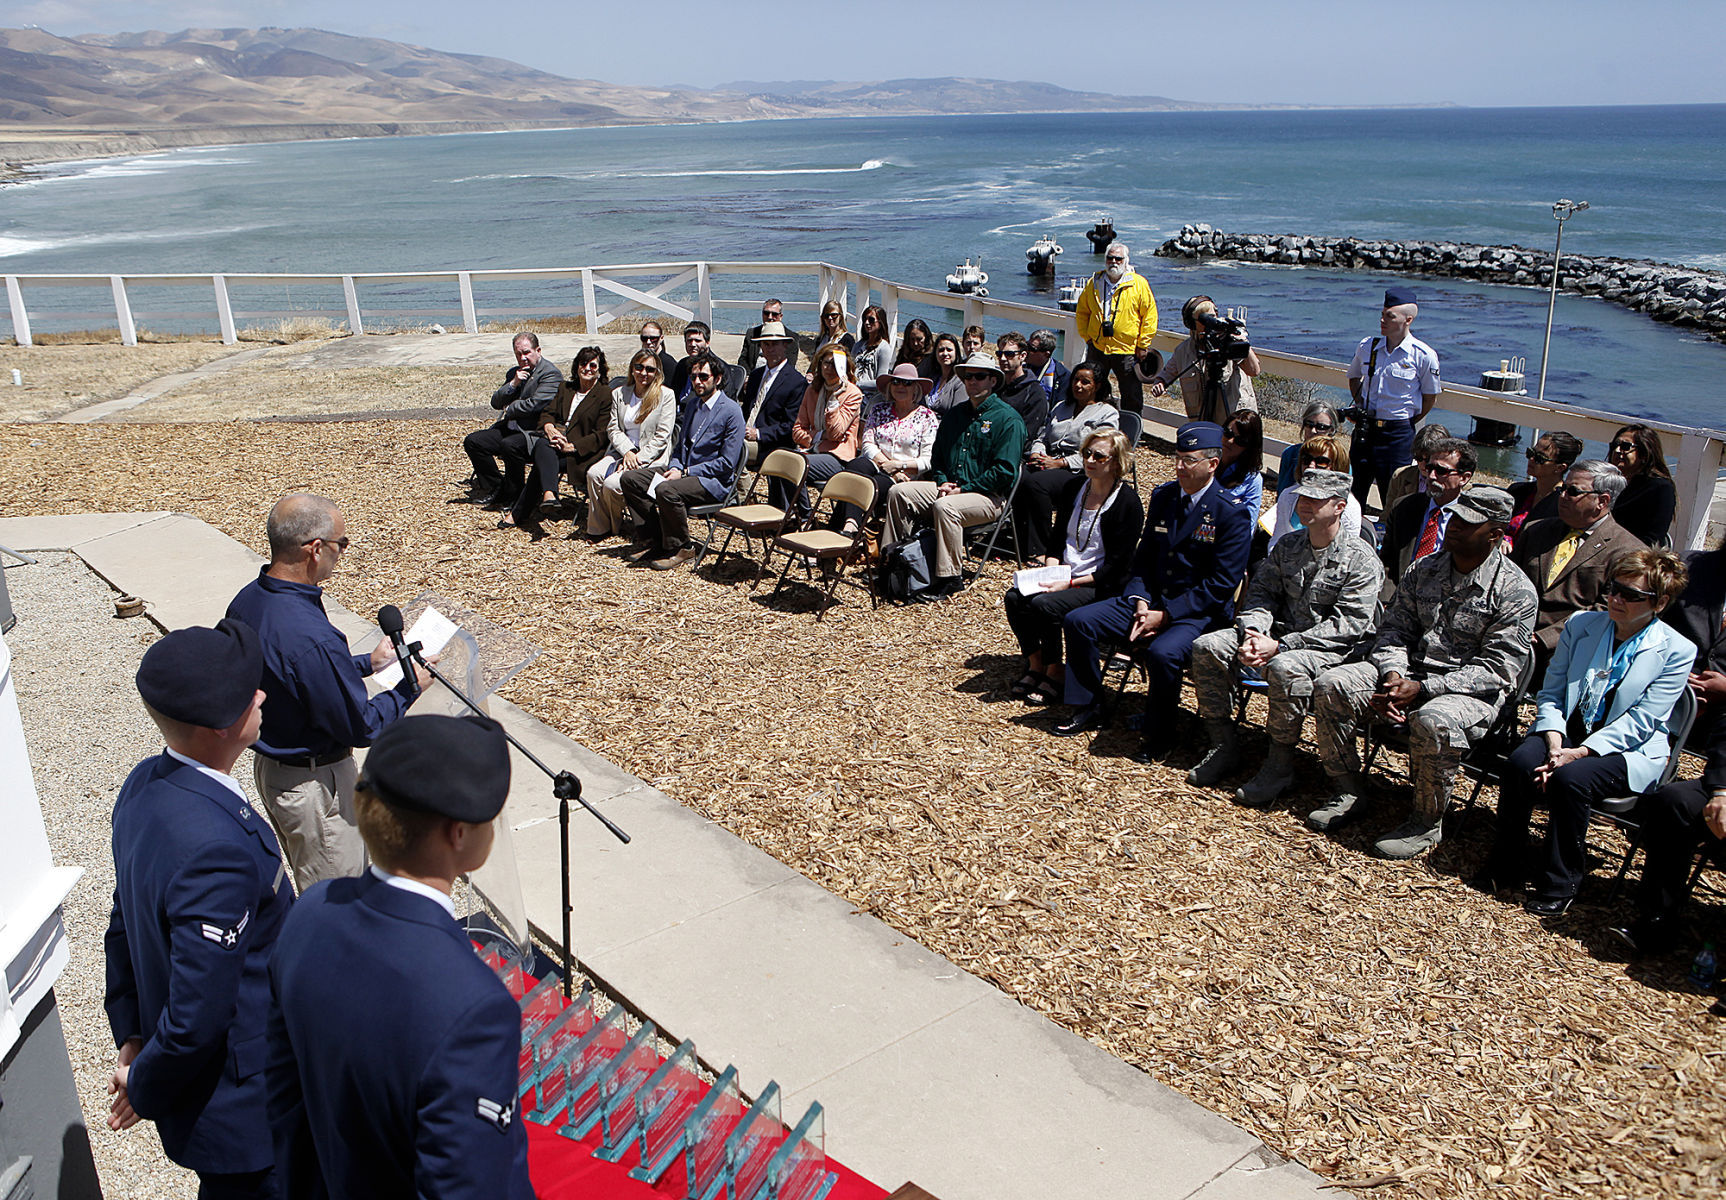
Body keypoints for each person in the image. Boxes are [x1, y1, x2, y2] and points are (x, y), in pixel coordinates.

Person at [265, 714, 534, 1200]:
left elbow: (286, 1102)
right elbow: (467, 1186)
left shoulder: (309, 915)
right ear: (458, 834)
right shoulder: (475, 1009)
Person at [104, 619, 290, 1200]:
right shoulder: (215, 848)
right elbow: (197, 1016)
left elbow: (124, 924)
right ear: (220, 726)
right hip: (253, 1116)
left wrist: (132, 1033)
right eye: (250, 692)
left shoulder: (143, 784)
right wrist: (144, 1082)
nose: (262, 695)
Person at [1308, 488, 1537, 859]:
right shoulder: (1424, 568)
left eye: (1468, 523)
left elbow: (1497, 669)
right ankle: (1347, 789)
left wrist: (1424, 688)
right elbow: (1394, 631)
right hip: (1409, 674)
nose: (1454, 526)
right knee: (1334, 684)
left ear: (1495, 534)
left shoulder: (1515, 592)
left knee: (1434, 720)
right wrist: (1393, 675)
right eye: (1455, 517)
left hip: (1469, 693)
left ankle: (1426, 822)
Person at [227, 494, 430, 891]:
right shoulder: (308, 635)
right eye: (342, 543)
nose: (342, 553)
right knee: (337, 899)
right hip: (316, 786)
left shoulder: (249, 601)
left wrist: (367, 663)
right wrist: (409, 688)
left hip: (275, 770)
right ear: (316, 549)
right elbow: (361, 726)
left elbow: (294, 675)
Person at [1481, 550, 1694, 915]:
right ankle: (1506, 863)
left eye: (1630, 595)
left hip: (1628, 748)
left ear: (1659, 603)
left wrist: (1579, 753)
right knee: (1520, 763)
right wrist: (1554, 740)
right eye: (1613, 589)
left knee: (1572, 779)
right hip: (1567, 730)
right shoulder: (1582, 625)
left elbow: (1643, 721)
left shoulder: (1677, 650)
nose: (1615, 599)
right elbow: (1552, 691)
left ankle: (1560, 882)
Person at [1054, 421, 1252, 761]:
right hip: (1151, 600)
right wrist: (1141, 600)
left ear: (1212, 464)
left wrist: (1167, 614)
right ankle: (1089, 705)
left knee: (1163, 653)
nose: (1180, 467)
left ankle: (1161, 734)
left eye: (1189, 460)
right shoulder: (1164, 496)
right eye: (1177, 458)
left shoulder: (1230, 512)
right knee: (1079, 621)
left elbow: (1221, 583)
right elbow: (1143, 558)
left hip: (1196, 614)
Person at [1187, 469, 1384, 801]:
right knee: (1209, 646)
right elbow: (1262, 594)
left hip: (1332, 651)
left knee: (1285, 667)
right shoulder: (1289, 546)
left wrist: (1279, 646)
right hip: (1275, 636)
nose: (1304, 504)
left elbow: (1349, 625)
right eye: (1303, 497)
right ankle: (1222, 744)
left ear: (1339, 507)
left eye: (1315, 500)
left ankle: (1279, 766)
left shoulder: (1361, 560)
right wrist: (1254, 632)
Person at [1610, 545, 1726, 953]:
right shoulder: (1697, 569)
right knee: (1675, 801)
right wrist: (1722, 790)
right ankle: (1655, 922)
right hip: (1676, 701)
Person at [1004, 429, 1144, 707]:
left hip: (1099, 584)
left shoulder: (1127, 504)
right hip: (1065, 574)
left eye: (1099, 456)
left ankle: (1056, 671)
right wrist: (1051, 570)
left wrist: (1068, 583)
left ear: (1116, 462)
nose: (1090, 460)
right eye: (1087, 454)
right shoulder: (1075, 488)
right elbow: (1057, 539)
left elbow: (1117, 568)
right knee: (1014, 597)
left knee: (1045, 605)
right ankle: (1036, 664)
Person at [884, 352, 1026, 601]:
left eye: (979, 377)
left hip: (988, 496)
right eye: (968, 377)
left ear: (993, 380)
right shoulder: (955, 415)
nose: (972, 382)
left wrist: (963, 489)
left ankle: (949, 578)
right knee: (899, 492)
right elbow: (938, 457)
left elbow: (1004, 472)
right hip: (951, 487)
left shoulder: (1008, 419)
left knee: (946, 507)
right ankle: (895, 560)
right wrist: (942, 482)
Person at [1510, 460, 1646, 676]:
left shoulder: (1628, 552)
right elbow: (1508, 581)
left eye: (1572, 492)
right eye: (1562, 488)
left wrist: (1544, 638)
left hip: (1570, 651)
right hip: (1510, 633)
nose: (1562, 496)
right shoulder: (1536, 531)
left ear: (1602, 501)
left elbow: (1606, 609)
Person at [619, 350, 746, 571]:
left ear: (717, 379)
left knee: (666, 490)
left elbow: (727, 463)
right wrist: (676, 466)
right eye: (693, 377)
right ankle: (655, 539)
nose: (697, 382)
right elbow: (680, 447)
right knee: (631, 479)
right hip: (683, 472)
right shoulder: (693, 405)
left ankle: (682, 547)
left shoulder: (731, 412)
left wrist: (685, 472)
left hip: (712, 480)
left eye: (703, 377)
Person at [1343, 287, 1441, 510]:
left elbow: (1429, 398)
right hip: (1366, 430)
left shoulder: (1422, 355)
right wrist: (1360, 405)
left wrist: (1406, 421)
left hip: (1397, 435)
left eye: (1390, 316)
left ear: (1408, 320)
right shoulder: (1368, 347)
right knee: (1355, 491)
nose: (1382, 320)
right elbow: (1354, 376)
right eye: (1382, 314)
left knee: (1394, 494)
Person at [500, 345, 610, 534]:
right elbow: (547, 412)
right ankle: (548, 495)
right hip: (555, 442)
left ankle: (525, 509)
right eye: (583, 364)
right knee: (544, 445)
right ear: (577, 366)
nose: (587, 369)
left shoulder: (605, 394)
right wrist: (549, 427)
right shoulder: (566, 388)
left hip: (580, 452)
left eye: (593, 365)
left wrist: (572, 447)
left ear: (600, 370)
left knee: (542, 460)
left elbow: (602, 433)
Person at [1020, 363, 1119, 561]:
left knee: (1036, 484)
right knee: (1017, 474)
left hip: (1078, 469)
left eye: (1085, 382)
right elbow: (1042, 436)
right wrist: (1038, 453)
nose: (1078, 385)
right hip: (1047, 460)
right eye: (1076, 380)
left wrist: (1061, 463)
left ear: (1097, 386)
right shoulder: (1061, 407)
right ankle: (1018, 538)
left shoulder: (1106, 413)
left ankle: (1042, 547)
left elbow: (1101, 451)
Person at [463, 331, 565, 509]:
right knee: (474, 441)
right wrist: (513, 384)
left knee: (509, 445)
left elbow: (535, 405)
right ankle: (497, 487)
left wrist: (510, 407)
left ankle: (516, 494)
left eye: (527, 352)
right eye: (518, 354)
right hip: (511, 427)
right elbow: (496, 402)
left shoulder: (550, 374)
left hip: (533, 432)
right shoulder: (515, 373)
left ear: (538, 351)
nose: (523, 358)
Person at [584, 349, 678, 541]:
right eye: (639, 367)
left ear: (657, 373)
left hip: (651, 456)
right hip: (622, 451)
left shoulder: (666, 396)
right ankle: (598, 527)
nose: (644, 373)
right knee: (593, 474)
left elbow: (662, 436)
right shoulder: (620, 393)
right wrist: (627, 451)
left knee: (612, 484)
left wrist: (637, 458)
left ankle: (614, 527)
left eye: (650, 369)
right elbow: (613, 428)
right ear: (632, 369)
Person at [837, 363, 940, 532]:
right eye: (896, 382)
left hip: (905, 476)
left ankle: (843, 528)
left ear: (916, 388)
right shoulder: (878, 410)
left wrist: (899, 466)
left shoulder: (927, 417)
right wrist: (889, 467)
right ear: (890, 387)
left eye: (907, 383)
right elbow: (867, 444)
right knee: (855, 465)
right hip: (877, 465)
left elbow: (928, 460)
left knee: (870, 484)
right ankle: (851, 525)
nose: (901, 386)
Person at [1145, 295, 1262, 425]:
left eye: (1213, 317)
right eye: (1204, 319)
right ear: (1192, 324)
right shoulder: (1183, 351)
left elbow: (1254, 371)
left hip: (1234, 421)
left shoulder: (1229, 343)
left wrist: (1240, 341)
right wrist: (1160, 383)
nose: (1210, 324)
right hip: (1203, 419)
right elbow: (1166, 375)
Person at [1074, 242, 1157, 416]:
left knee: (1131, 394)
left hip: (1127, 350)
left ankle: (1130, 426)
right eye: (1110, 258)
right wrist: (1087, 338)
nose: (1113, 262)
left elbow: (1149, 316)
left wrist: (1143, 344)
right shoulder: (1094, 282)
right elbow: (1082, 312)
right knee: (1093, 390)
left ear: (1126, 261)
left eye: (1118, 258)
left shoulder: (1139, 284)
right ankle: (1092, 421)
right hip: (1098, 347)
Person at [1379, 438, 1476, 587]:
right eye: (1430, 468)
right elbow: (1388, 563)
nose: (1431, 476)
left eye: (1441, 471)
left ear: (1464, 478)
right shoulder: (1403, 507)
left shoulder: (1474, 522)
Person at [789, 343, 866, 517]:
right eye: (826, 363)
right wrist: (819, 436)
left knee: (795, 466)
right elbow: (797, 430)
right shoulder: (812, 390)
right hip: (812, 450)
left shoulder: (852, 394)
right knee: (781, 462)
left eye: (835, 364)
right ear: (819, 364)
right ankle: (788, 514)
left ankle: (805, 517)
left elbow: (836, 433)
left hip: (838, 456)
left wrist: (834, 400)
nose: (830, 368)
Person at [1266, 436, 1363, 547]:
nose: (1311, 466)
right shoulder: (1289, 495)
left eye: (1321, 462)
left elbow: (1349, 550)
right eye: (1306, 460)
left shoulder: (1350, 507)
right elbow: (1277, 541)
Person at [738, 320, 806, 468]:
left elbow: (790, 425)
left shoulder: (796, 382)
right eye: (766, 344)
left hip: (770, 444)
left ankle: (742, 484)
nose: (770, 349)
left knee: (731, 449)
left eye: (775, 344)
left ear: (785, 345)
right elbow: (746, 409)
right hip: (744, 435)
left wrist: (759, 433)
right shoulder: (756, 376)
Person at [1606, 423, 1677, 546]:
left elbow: (1653, 538)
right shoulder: (1606, 480)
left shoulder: (1660, 488)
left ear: (1644, 453)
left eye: (1625, 446)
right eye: (1614, 445)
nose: (1617, 451)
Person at [1506, 431, 1581, 544]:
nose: (1531, 459)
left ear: (1560, 468)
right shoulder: (1517, 491)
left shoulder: (1564, 505)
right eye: (1531, 453)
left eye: (1540, 458)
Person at [1382, 422, 1454, 515]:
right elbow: (1387, 514)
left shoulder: (1452, 482)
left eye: (1428, 460)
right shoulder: (1400, 476)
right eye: (1419, 458)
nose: (1423, 464)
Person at [994, 331, 1051, 445]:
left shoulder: (1034, 393)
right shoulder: (995, 385)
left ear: (1023, 356)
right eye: (999, 354)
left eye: (1009, 354)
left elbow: (1027, 435)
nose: (1003, 358)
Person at [1275, 403, 1340, 491]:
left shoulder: (1339, 458)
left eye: (1320, 427)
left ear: (1331, 430)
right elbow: (1281, 490)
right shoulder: (1290, 453)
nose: (1313, 431)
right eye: (1309, 424)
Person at [1215, 410, 1264, 515]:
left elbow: (1249, 521)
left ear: (1250, 445)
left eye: (1240, 440)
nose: (1230, 441)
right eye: (1228, 433)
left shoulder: (1252, 480)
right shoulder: (1203, 459)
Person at [739, 298, 801, 375]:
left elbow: (790, 365)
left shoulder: (791, 338)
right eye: (766, 313)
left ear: (780, 316)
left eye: (774, 314)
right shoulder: (752, 333)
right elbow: (743, 360)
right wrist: (749, 376)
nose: (770, 317)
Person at [670, 321, 729, 399]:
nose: (693, 344)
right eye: (689, 340)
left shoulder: (719, 367)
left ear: (707, 343)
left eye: (697, 341)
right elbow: (675, 392)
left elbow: (726, 398)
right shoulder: (682, 364)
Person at [853, 304, 895, 400]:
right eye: (865, 319)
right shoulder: (858, 345)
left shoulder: (884, 348)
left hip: (869, 396)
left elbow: (880, 381)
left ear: (880, 322)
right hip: (852, 391)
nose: (867, 323)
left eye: (871, 320)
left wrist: (858, 384)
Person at [1025, 328, 1071, 410]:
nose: (1026, 351)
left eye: (1032, 349)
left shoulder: (1063, 376)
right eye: (1026, 345)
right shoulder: (1020, 367)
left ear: (1046, 354)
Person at [928, 333, 966, 414]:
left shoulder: (960, 382)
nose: (945, 353)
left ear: (956, 352)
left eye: (949, 350)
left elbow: (958, 414)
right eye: (941, 350)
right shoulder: (932, 378)